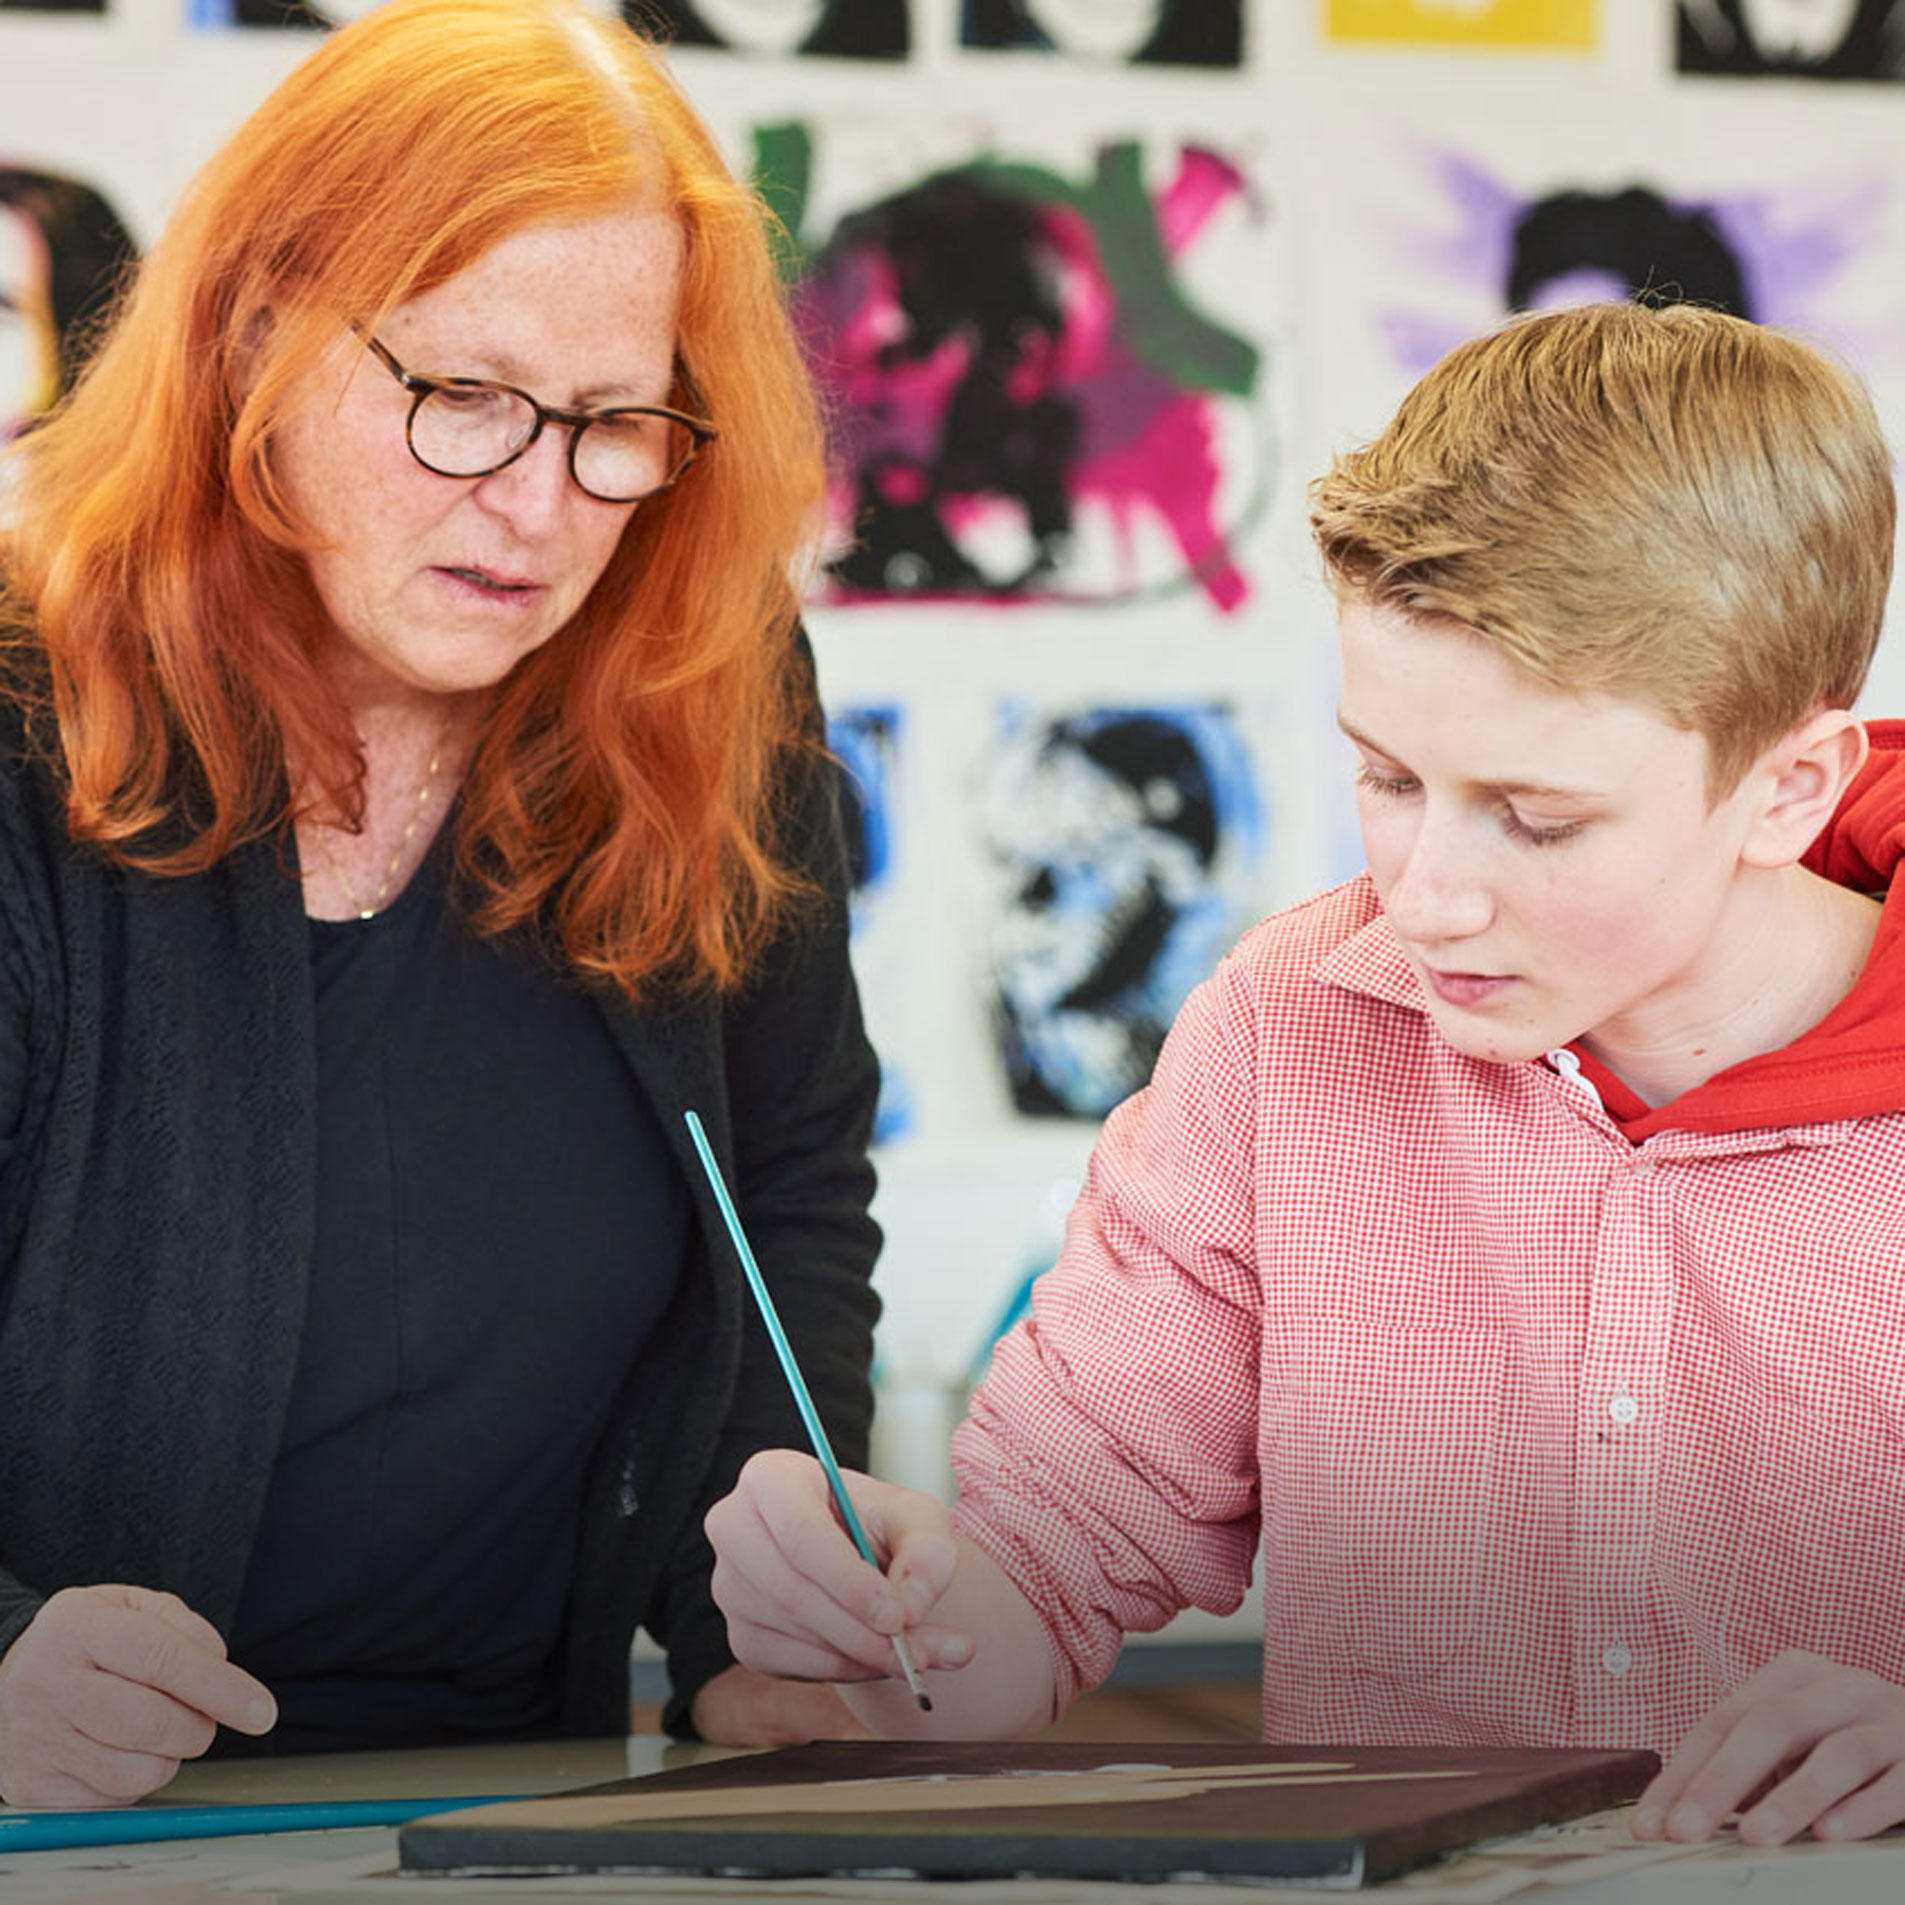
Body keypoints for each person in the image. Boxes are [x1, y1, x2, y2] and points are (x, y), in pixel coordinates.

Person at [708, 298, 1905, 1849]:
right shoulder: (1286, 1024)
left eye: (1534, 819)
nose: (1424, 893)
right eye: (1388, 777)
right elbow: (1041, 1572)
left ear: (1787, 785)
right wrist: (895, 1627)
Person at [0, 0, 882, 1809]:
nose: (541, 507)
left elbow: (781, 1186)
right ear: (257, 329)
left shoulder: (707, 678)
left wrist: (764, 1635)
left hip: (531, 1801)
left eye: (616, 421)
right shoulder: (22, 704)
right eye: (464, 397)